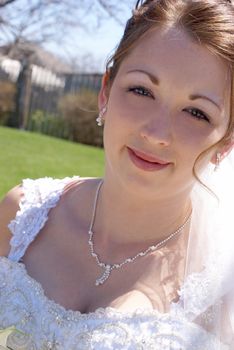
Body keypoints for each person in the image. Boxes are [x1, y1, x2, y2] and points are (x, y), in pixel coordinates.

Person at [0, 0, 234, 348]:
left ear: (226, 141)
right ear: (106, 91)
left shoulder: (221, 291)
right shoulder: (21, 216)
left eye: (196, 113)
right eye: (142, 90)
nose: (157, 133)